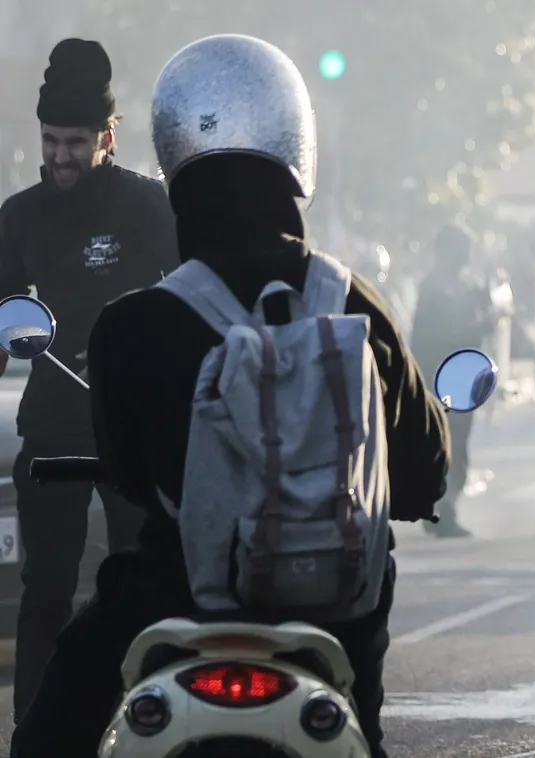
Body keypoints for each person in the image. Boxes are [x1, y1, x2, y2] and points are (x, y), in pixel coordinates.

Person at [9, 34, 451, 758]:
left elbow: (127, 472)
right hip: (336, 611)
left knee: (50, 730)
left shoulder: (134, 325)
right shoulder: (356, 306)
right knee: (358, 729)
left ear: (177, 163)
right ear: (294, 155)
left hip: (179, 597)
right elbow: (425, 472)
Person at [0, 37, 179, 724]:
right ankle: (35, 731)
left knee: (140, 584)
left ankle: (145, 722)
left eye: (75, 142)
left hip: (131, 424)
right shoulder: (20, 215)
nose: (60, 157)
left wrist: (134, 350)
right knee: (44, 589)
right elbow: (5, 310)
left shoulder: (144, 205)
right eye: (51, 141)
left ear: (106, 137)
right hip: (50, 426)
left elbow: (191, 295)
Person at [410, 221, 495, 539]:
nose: (465, 258)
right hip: (437, 377)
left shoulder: (466, 286)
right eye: (461, 251)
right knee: (444, 446)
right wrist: (477, 326)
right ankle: (441, 512)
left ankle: (445, 508)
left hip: (462, 376)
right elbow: (432, 337)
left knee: (458, 445)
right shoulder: (432, 290)